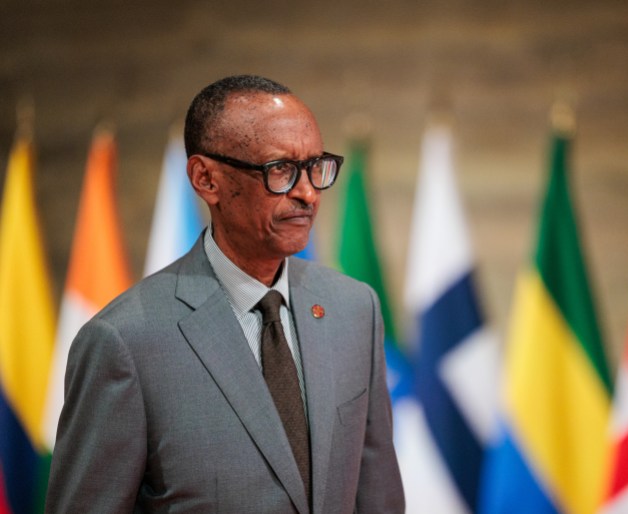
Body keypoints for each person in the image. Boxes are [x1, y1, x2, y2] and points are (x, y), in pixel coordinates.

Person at [45, 75, 405, 514]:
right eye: (281, 171)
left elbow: (378, 496)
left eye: (315, 167)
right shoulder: (124, 342)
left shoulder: (355, 309)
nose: (308, 192)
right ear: (206, 179)